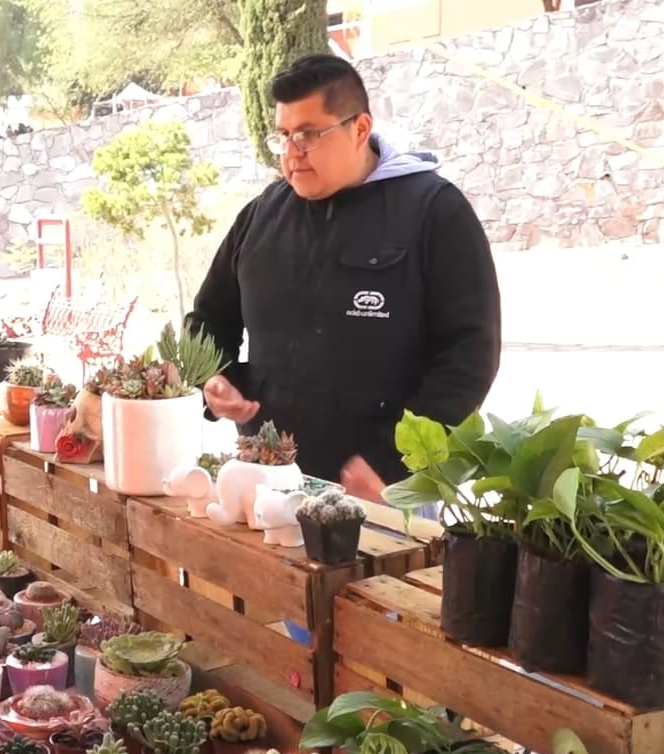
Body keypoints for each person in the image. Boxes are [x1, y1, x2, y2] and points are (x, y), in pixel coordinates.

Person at [187, 54, 501, 502]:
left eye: (309, 134)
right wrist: (214, 378)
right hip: (266, 481)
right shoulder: (261, 215)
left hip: (384, 492)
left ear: (359, 128)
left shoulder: (434, 212)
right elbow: (206, 320)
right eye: (284, 136)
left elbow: (469, 359)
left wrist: (392, 463)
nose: (293, 153)